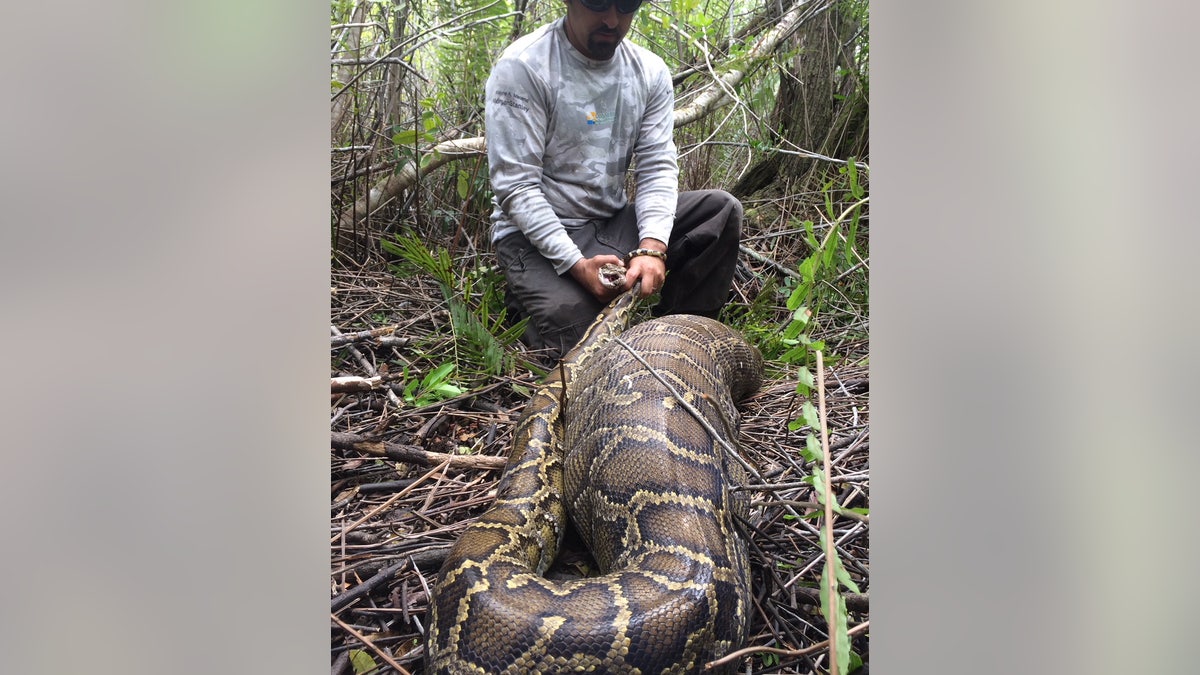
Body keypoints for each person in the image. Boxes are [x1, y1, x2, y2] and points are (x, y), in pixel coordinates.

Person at [486, 0, 743, 361]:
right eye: (597, 3)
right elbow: (516, 186)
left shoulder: (649, 71)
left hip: (609, 222)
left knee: (720, 211)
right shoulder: (524, 67)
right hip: (532, 239)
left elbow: (657, 165)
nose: (611, 19)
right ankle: (533, 299)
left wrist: (652, 247)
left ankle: (684, 342)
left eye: (626, 5)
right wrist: (576, 266)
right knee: (584, 340)